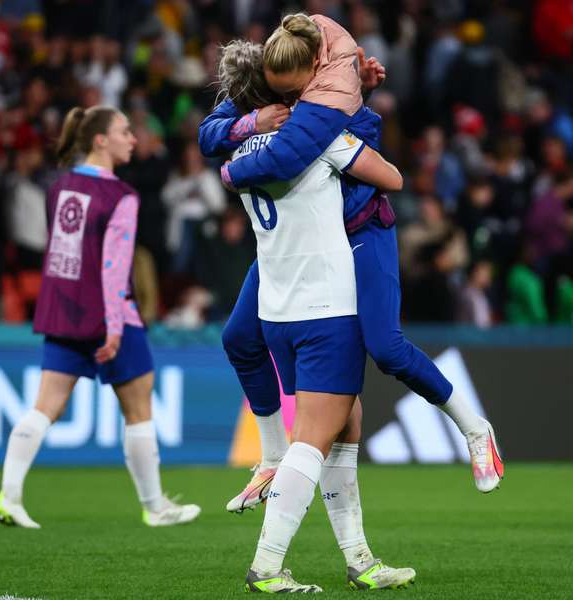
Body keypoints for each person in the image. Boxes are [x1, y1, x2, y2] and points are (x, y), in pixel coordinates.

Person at [198, 14, 503, 512]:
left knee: (386, 348)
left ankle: (475, 428)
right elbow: (209, 133)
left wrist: (233, 171)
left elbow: (389, 176)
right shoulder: (278, 84)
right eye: (275, 92)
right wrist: (252, 121)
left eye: (291, 91)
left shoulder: (330, 106)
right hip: (299, 246)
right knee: (238, 338)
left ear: (310, 73)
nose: (284, 99)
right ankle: (272, 457)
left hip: (361, 231)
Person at [220, 40, 415, 593]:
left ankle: (360, 559)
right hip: (326, 306)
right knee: (313, 441)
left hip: (277, 309)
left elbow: (221, 140)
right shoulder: (317, 137)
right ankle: (267, 565)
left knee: (346, 424)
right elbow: (393, 178)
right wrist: (353, 110)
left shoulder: (240, 154)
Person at [0, 105, 200, 529]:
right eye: (125, 131)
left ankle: (8, 496)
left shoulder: (58, 187)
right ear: (100, 139)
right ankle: (155, 505)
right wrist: (115, 326)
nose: (133, 138)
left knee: (44, 406)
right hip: (108, 314)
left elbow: (66, 255)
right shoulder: (120, 196)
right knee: (138, 407)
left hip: (61, 310)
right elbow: (112, 266)